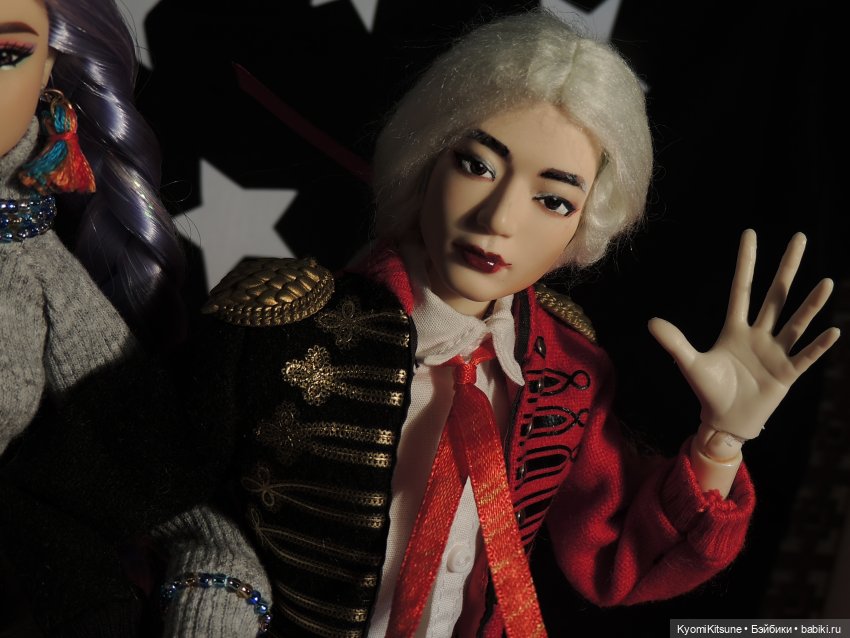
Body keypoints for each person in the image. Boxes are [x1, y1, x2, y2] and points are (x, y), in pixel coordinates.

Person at [156, 9, 840, 637]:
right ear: (427, 159)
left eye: (554, 199)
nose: (499, 219)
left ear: (583, 229)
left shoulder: (565, 368)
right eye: (476, 165)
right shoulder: (283, 324)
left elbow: (617, 556)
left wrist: (720, 441)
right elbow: (164, 498)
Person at [0, 0, 191, 634]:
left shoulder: (39, 277)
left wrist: (216, 591)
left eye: (4, 54)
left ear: (50, 71)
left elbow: (170, 493)